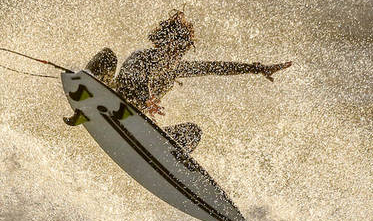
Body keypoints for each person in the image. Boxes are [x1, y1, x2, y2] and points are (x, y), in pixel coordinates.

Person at [85, 11, 292, 153]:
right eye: (173, 45)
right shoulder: (141, 57)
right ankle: (83, 91)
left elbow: (216, 68)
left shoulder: (176, 69)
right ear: (162, 41)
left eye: (181, 48)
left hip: (137, 128)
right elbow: (136, 77)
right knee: (107, 56)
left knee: (192, 132)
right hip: (110, 108)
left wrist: (257, 68)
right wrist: (147, 97)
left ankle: (165, 163)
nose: (176, 52)